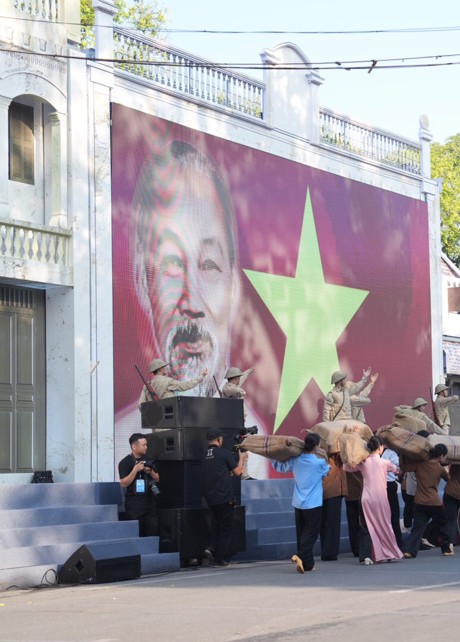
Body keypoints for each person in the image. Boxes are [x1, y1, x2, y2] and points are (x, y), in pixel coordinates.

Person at [116, 141, 256, 464]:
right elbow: (164, 394)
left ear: (234, 286)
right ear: (141, 278)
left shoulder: (246, 429)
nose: (190, 301)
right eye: (172, 265)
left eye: (208, 265)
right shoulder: (155, 392)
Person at [270, 432, 330, 573]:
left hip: (298, 502)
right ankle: (300, 555)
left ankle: (308, 564)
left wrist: (272, 457)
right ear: (316, 446)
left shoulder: (295, 460)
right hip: (313, 503)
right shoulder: (319, 463)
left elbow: (280, 467)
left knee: (302, 532)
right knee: (311, 533)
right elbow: (326, 472)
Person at [343, 436, 404, 565]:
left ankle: (366, 556)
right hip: (381, 498)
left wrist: (348, 456)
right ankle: (388, 552)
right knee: (384, 524)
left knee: (366, 527)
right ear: (380, 447)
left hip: (366, 498)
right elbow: (397, 471)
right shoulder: (385, 463)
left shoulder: (363, 462)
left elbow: (347, 468)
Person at [202, 428, 247, 566]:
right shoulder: (224, 453)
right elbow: (238, 472)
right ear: (219, 439)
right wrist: (242, 459)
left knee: (216, 525)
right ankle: (218, 558)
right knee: (225, 528)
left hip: (209, 498)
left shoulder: (203, 455)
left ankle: (211, 548)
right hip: (224, 497)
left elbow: (224, 473)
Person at [401, 444, 452, 558]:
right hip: (434, 502)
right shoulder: (440, 469)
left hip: (419, 501)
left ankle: (409, 550)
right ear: (442, 455)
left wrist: (402, 455)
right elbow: (448, 479)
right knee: (443, 523)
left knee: (418, 527)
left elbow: (404, 467)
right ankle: (446, 549)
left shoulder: (420, 464)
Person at [117, 433, 160, 537]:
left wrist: (150, 472)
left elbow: (157, 478)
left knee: (152, 530)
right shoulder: (125, 462)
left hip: (149, 501)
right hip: (134, 504)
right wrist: (135, 470)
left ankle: (151, 551)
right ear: (134, 446)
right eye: (143, 445)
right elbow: (123, 483)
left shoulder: (148, 459)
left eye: (146, 444)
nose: (146, 447)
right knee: (137, 532)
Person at [139, 358, 207, 404]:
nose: (165, 368)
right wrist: (201, 376)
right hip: (170, 421)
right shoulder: (167, 381)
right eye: (164, 367)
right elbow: (186, 385)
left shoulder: (146, 386)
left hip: (156, 423)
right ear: (159, 369)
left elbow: (140, 404)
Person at [319, 451, 345, 561]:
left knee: (324, 522)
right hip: (333, 490)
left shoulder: (318, 453)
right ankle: (331, 552)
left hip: (320, 490)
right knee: (333, 522)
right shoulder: (336, 454)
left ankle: (325, 551)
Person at [382, 446, 403, 547]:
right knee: (394, 516)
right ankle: (397, 543)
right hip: (390, 485)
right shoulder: (392, 453)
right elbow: (397, 470)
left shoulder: (375, 456)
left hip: (379, 486)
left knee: (383, 516)